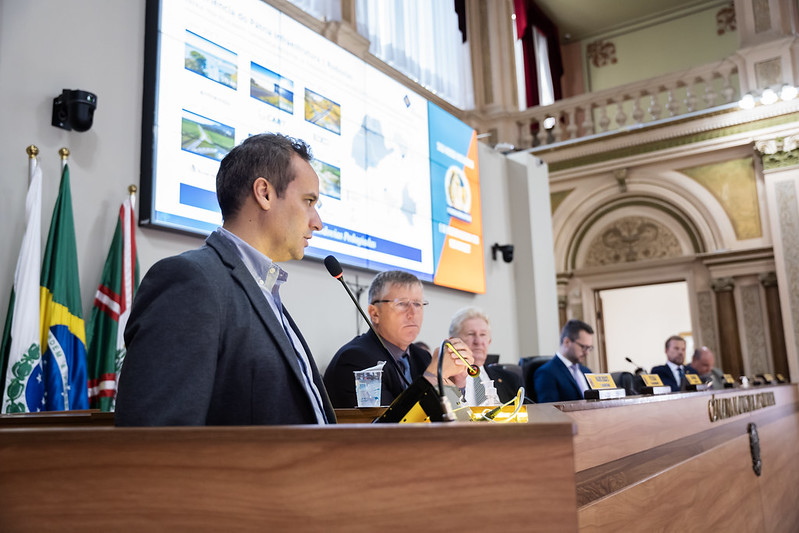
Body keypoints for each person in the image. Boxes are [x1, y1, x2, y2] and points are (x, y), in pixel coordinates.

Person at [116, 133, 336, 426]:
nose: (317, 223)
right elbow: (156, 435)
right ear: (264, 193)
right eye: (308, 201)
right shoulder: (191, 281)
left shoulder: (263, 289)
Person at [323, 270, 473, 408]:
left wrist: (457, 383)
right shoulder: (355, 360)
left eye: (417, 304)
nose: (412, 313)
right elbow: (386, 425)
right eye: (401, 304)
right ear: (374, 314)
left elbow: (447, 418)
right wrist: (433, 376)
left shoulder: (422, 357)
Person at [448, 307, 519, 405]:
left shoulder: (510, 379)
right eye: (470, 334)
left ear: (489, 341)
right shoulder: (442, 379)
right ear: (453, 341)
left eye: (483, 334)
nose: (478, 341)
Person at [534, 319, 594, 403]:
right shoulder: (546, 373)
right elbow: (548, 409)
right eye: (583, 347)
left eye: (589, 348)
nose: (587, 353)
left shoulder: (587, 372)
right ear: (567, 342)